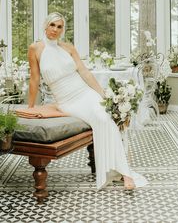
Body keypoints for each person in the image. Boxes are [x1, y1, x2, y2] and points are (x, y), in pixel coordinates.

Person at [28, 12, 147, 190]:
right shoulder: (35, 48)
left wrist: (101, 94)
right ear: (46, 25)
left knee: (104, 117)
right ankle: (118, 171)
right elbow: (34, 79)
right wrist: (30, 107)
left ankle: (124, 173)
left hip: (85, 93)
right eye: (52, 25)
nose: (55, 29)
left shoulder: (68, 48)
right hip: (67, 101)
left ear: (63, 30)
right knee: (99, 120)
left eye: (59, 26)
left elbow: (84, 73)